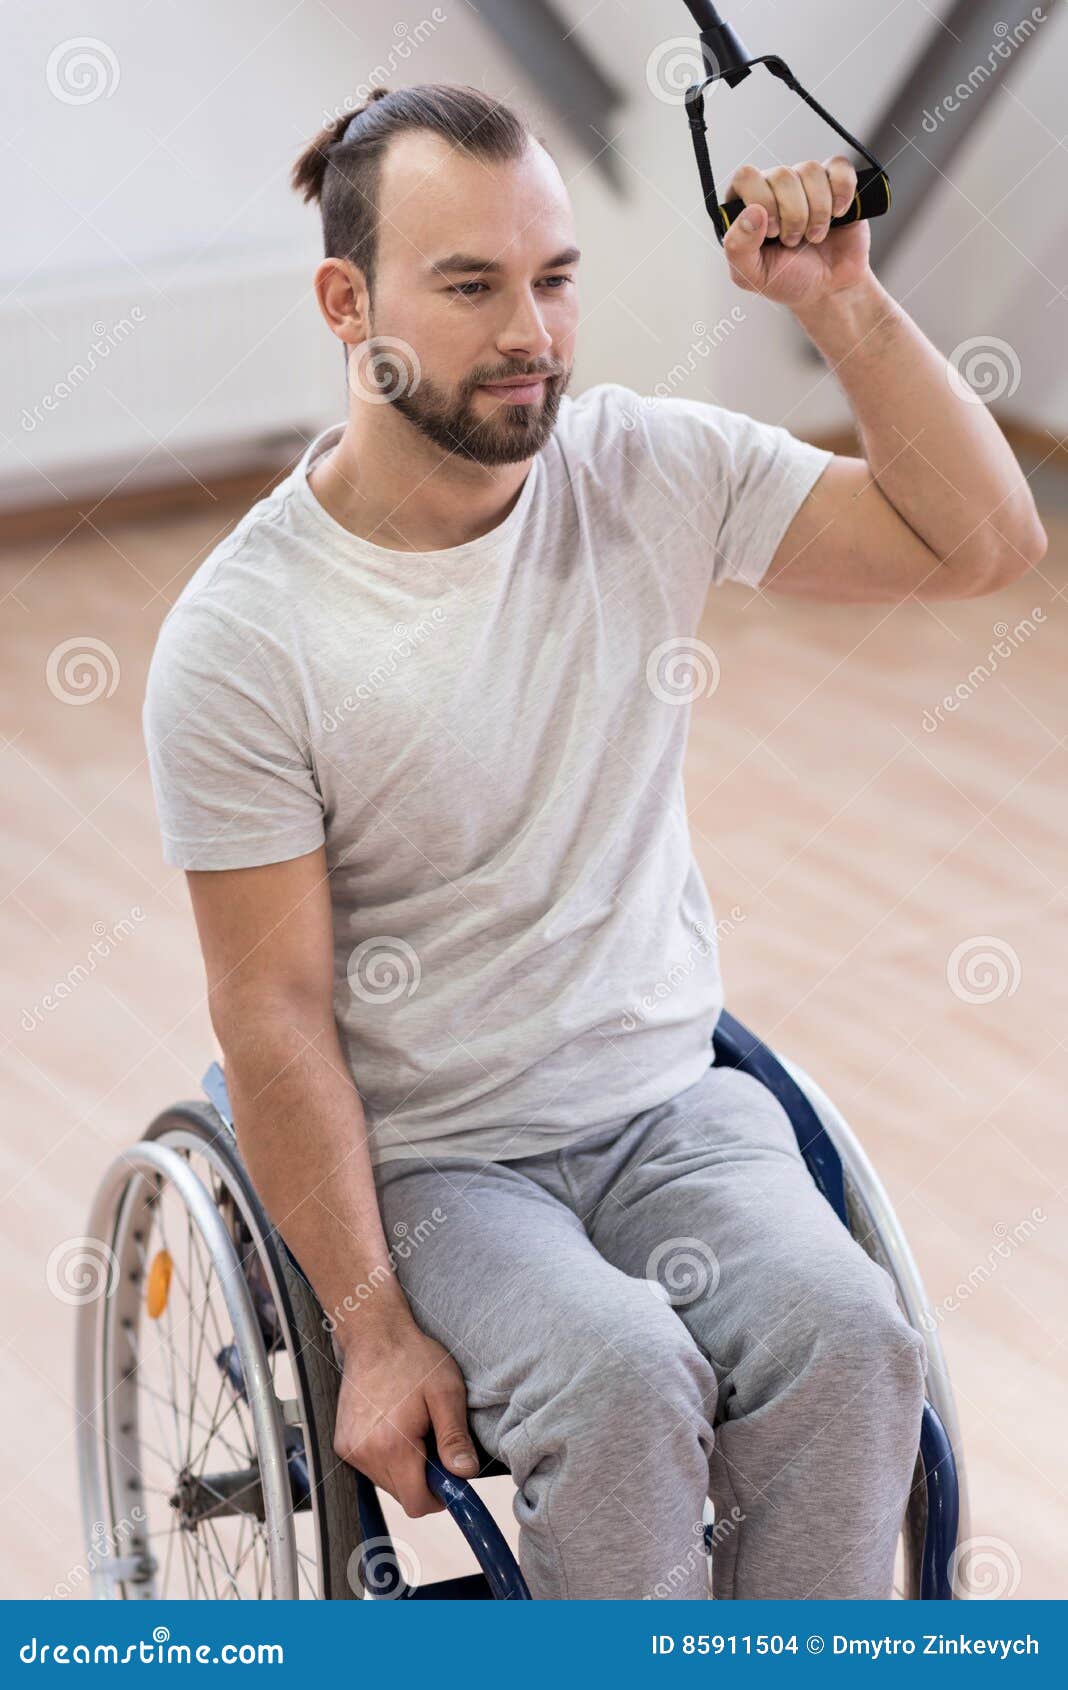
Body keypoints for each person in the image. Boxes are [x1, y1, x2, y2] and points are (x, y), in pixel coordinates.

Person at [143, 83, 1045, 1600]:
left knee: (856, 1339)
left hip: (668, 1109)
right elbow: (274, 1014)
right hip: (438, 1159)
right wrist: (368, 1328)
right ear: (345, 300)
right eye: (472, 285)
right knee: (622, 1377)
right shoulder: (242, 638)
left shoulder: (642, 470)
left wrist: (844, 302)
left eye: (554, 280)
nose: (533, 333)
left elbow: (985, 542)